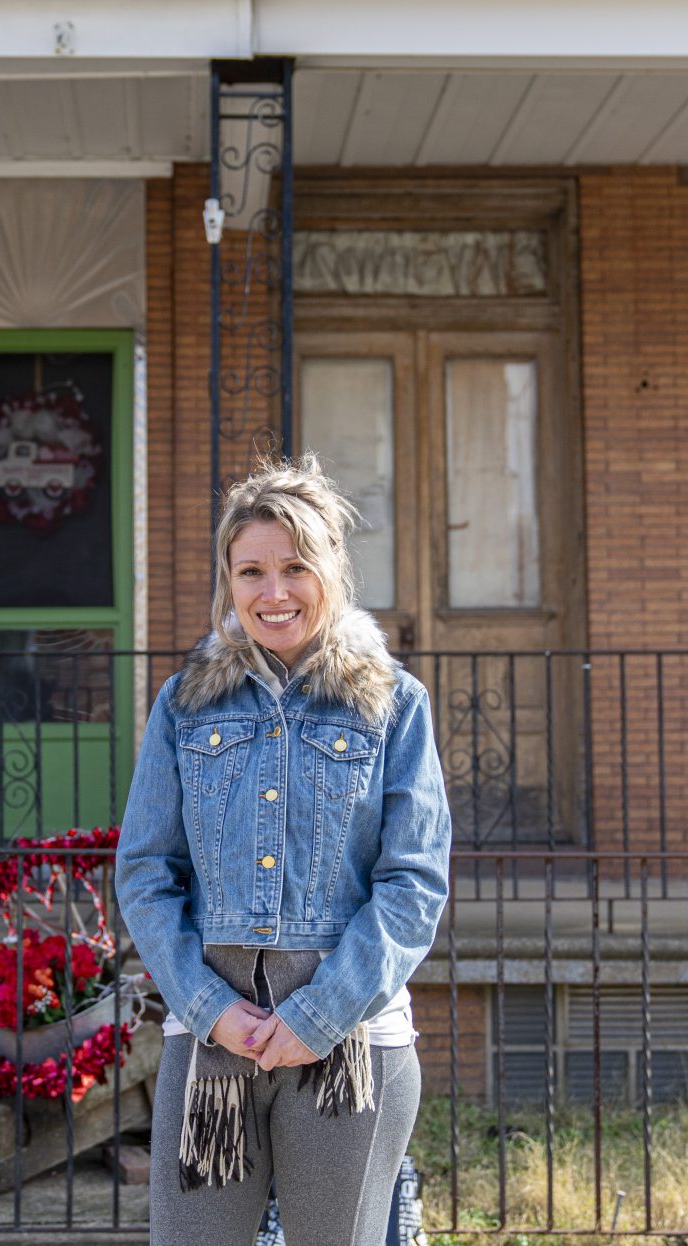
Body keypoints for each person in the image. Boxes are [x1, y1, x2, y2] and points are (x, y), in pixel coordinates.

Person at [116, 456, 452, 1245]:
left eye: (296, 567)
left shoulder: (392, 704)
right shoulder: (186, 703)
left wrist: (319, 1014)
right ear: (228, 581)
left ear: (332, 569)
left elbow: (413, 881)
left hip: (351, 1049)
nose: (274, 593)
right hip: (211, 1052)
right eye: (251, 571)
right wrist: (207, 1009)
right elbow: (145, 873)